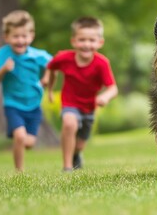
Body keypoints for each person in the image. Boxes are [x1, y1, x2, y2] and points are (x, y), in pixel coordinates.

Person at [46, 16, 118, 171]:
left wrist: (105, 97)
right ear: (73, 41)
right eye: (82, 40)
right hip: (69, 103)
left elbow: (113, 88)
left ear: (100, 42)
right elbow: (51, 67)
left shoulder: (102, 63)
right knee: (69, 124)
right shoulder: (64, 58)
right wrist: (50, 89)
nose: (86, 44)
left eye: (91, 40)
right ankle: (67, 167)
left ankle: (76, 154)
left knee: (79, 145)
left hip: (89, 108)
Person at [0, 10, 52, 171]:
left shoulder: (38, 55)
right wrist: (4, 69)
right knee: (20, 136)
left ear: (31, 36)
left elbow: (53, 65)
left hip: (33, 105)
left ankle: (20, 145)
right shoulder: (2, 55)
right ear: (6, 37)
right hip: (13, 104)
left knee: (29, 143)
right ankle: (19, 172)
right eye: (15, 36)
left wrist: (46, 78)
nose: (20, 40)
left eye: (24, 36)